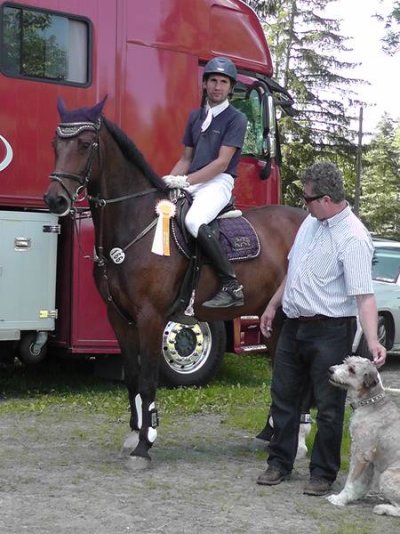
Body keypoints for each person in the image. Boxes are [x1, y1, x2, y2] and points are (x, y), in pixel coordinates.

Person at [256, 161, 387, 496]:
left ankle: (323, 473)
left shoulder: (354, 237)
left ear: (326, 199)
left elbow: (364, 296)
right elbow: (293, 272)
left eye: (308, 198)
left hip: (330, 330)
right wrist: (272, 306)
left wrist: (373, 340)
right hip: (293, 325)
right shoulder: (310, 224)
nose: (305, 204)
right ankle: (279, 463)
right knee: (283, 397)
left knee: (329, 408)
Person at [162, 57, 248, 308]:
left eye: (223, 82)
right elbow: (186, 158)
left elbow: (222, 163)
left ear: (230, 88)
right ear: (205, 84)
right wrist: (168, 183)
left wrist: (184, 180)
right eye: (213, 81)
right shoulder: (195, 117)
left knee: (193, 220)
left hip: (218, 182)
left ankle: (231, 285)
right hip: (194, 180)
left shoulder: (236, 119)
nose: (217, 86)